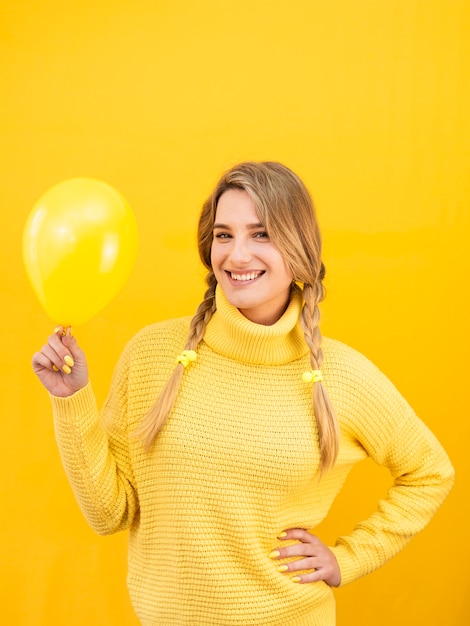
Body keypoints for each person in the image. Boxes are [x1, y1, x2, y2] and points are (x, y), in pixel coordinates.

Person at [32, 161, 454, 626]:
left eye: (261, 234)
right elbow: (109, 513)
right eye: (223, 235)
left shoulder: (343, 377)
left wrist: (346, 559)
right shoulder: (152, 354)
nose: (236, 256)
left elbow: (430, 472)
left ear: (299, 249)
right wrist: (71, 399)